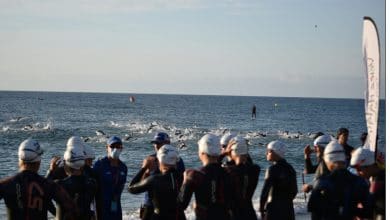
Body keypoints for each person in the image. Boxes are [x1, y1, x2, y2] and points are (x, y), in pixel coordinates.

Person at [0, 139, 76, 219]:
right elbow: (72, 209)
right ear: (38, 161)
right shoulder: (49, 185)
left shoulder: (6, 184)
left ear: (19, 159)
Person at [308, 141, 372, 220]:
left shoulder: (322, 183)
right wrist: (349, 209)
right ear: (344, 159)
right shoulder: (359, 182)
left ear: (327, 159)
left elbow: (315, 214)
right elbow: (369, 211)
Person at [178, 134, 234, 220]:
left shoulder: (194, 175)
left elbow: (180, 205)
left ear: (202, 152)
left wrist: (185, 182)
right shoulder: (229, 172)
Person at [128, 145, 186, 220]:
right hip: (178, 216)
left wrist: (144, 168)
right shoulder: (183, 177)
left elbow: (131, 188)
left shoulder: (154, 180)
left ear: (159, 160)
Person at [56, 144, 97, 220]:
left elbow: (43, 192)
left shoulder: (60, 185)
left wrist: (51, 171)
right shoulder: (92, 183)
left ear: (66, 164)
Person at [224, 136, 260, 220]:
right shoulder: (255, 169)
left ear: (232, 151)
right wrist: (244, 148)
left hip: (234, 214)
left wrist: (225, 153)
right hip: (249, 213)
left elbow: (214, 168)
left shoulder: (228, 170)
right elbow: (248, 163)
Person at [260, 140, 297, 220]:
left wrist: (261, 209)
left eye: (268, 151)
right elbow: (294, 191)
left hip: (273, 211)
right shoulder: (291, 169)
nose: (266, 153)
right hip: (288, 210)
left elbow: (265, 192)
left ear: (275, 152)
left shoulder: (272, 169)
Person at [93, 136, 127, 220]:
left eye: (118, 147)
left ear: (121, 148)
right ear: (107, 148)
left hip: (115, 206)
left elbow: (122, 185)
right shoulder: (99, 165)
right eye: (112, 146)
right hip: (101, 206)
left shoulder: (123, 167)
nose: (115, 149)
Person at [350, 147, 385, 220]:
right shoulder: (381, 175)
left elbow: (369, 212)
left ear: (369, 165)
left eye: (359, 169)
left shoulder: (378, 183)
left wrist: (349, 208)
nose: (357, 173)